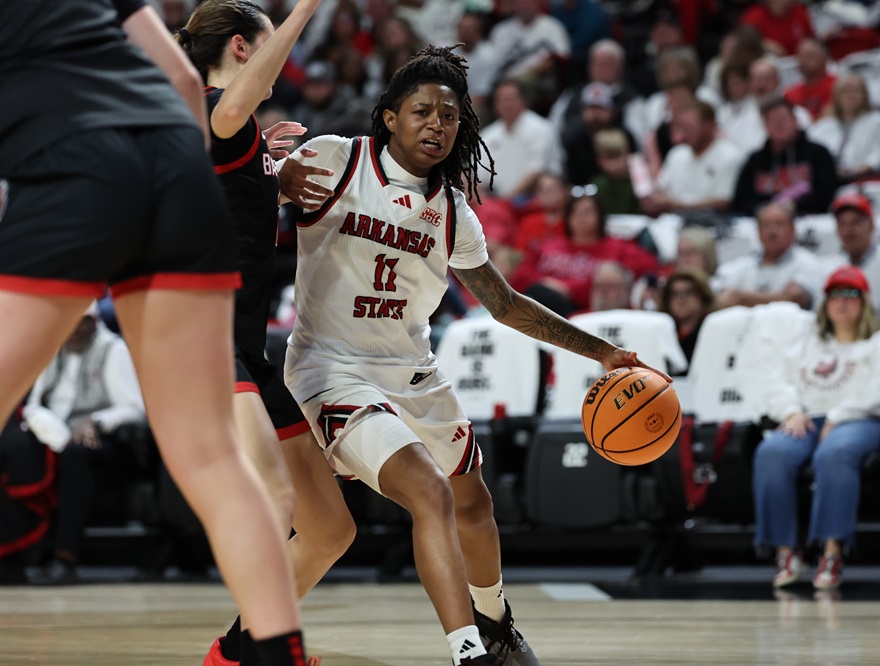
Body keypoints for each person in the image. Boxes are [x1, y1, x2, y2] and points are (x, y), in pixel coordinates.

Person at [283, 45, 667, 666]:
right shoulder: (333, 160)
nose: (437, 124)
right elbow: (231, 195)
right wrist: (270, 180)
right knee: (428, 492)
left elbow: (506, 304)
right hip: (332, 369)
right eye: (422, 111)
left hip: (412, 373)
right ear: (389, 117)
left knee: (473, 501)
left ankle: (494, 624)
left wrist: (603, 352)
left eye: (450, 115)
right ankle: (469, 655)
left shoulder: (454, 214)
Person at [0, 0, 308, 663]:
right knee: (214, 460)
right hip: (179, 170)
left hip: (73, 168)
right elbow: (182, 84)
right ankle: (277, 654)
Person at [172, 3, 358, 665]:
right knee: (273, 497)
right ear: (245, 47)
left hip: (245, 344)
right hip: (200, 337)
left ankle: (237, 650)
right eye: (271, 42)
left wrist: (271, 181)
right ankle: (279, 649)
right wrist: (304, 7)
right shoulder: (211, 103)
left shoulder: (234, 129)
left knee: (331, 529)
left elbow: (225, 197)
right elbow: (228, 112)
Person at [755, 266, 880, 590]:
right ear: (825, 303)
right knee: (771, 451)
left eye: (851, 294)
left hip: (864, 420)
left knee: (836, 451)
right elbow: (776, 381)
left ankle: (832, 551)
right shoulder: (806, 343)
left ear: (865, 302)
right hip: (809, 418)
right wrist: (790, 411)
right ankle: (787, 552)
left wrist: (840, 414)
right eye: (835, 295)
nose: (843, 302)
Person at [19, 308, 147, 585]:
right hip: (60, 433)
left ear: (94, 322)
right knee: (19, 448)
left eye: (81, 324)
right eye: (69, 324)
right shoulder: (54, 349)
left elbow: (135, 409)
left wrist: (95, 421)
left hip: (109, 441)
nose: (74, 332)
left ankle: (65, 557)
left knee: (76, 454)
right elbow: (35, 403)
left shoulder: (114, 349)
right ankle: (19, 553)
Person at [509, 192, 660, 316]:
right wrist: (547, 282)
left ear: (599, 216)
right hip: (545, 310)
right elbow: (519, 278)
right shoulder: (550, 245)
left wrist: (568, 289)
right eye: (575, 212)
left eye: (587, 212)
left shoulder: (617, 247)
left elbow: (651, 267)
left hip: (591, 312)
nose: (581, 218)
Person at [731, 96, 837, 216]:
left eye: (783, 119)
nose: (779, 125)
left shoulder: (818, 154)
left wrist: (794, 206)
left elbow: (826, 193)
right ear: (765, 126)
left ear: (795, 121)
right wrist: (766, 210)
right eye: (773, 121)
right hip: (764, 221)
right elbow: (741, 200)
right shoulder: (755, 160)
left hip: (809, 218)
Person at [713, 203, 822, 309]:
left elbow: (795, 299)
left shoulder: (808, 263)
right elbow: (724, 298)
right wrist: (777, 297)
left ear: (793, 230)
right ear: (758, 232)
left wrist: (741, 298)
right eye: (766, 225)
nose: (772, 231)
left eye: (779, 224)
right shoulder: (742, 266)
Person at [806, 73, 880, 182]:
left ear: (865, 95)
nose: (851, 95)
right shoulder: (825, 125)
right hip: (826, 179)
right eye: (846, 90)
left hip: (861, 178)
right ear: (837, 95)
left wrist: (854, 172)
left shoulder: (877, 120)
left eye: (856, 90)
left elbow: (879, 154)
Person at [660, 269, 716, 369]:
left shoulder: (713, 332)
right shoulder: (661, 334)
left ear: (703, 296)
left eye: (688, 292)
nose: (681, 299)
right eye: (674, 294)